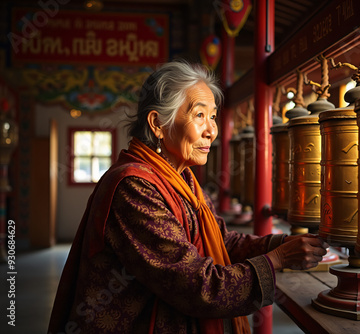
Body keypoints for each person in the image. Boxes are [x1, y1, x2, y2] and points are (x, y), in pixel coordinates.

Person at [48, 60, 329, 334]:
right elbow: (197, 287)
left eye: (213, 116)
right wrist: (277, 259)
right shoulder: (134, 187)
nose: (212, 130)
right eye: (199, 115)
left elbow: (221, 241)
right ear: (158, 123)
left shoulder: (182, 179)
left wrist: (280, 243)